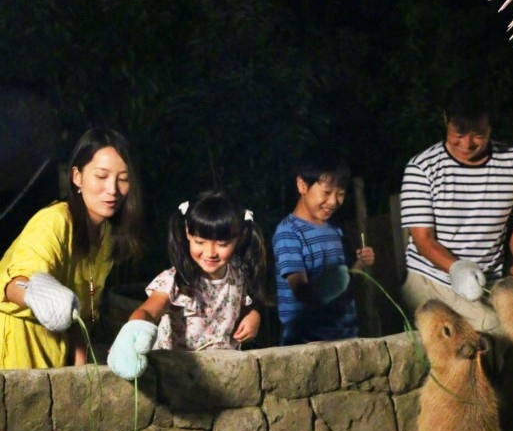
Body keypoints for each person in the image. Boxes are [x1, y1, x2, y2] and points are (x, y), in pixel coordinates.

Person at [0, 127, 143, 369]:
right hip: (17, 347)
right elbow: (14, 283)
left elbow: (80, 315)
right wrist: (36, 291)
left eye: (123, 178)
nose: (113, 189)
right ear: (77, 176)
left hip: (57, 353)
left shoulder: (106, 233)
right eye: (101, 176)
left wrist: (80, 365)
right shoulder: (55, 220)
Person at [399, 80, 513, 332]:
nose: (467, 143)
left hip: (489, 280)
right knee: (495, 328)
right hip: (433, 279)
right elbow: (422, 238)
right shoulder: (421, 168)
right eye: (459, 133)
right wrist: (456, 268)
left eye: (478, 134)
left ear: (490, 126)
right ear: (445, 120)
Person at [108, 190, 267, 379]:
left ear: (239, 237)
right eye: (200, 241)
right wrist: (133, 332)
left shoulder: (239, 272)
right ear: (187, 233)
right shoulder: (175, 279)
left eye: (222, 244)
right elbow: (149, 311)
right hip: (176, 374)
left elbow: (249, 302)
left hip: (224, 371)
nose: (210, 252)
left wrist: (254, 315)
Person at [272, 149, 375, 345]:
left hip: (345, 337)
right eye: (327, 193)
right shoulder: (288, 232)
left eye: (341, 193)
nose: (334, 201)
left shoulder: (335, 229)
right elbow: (301, 290)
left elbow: (345, 281)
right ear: (302, 185)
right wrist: (337, 278)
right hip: (307, 343)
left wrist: (360, 265)